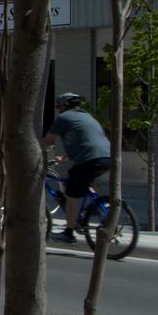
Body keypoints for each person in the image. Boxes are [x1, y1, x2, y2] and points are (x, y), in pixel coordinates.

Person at [44, 91, 112, 240]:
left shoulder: (64, 118)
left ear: (64, 105)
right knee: (83, 180)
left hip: (90, 159)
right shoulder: (88, 117)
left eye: (59, 106)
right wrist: (65, 156)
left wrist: (35, 154)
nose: (58, 109)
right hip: (107, 157)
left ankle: (69, 233)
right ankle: (96, 207)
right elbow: (85, 139)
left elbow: (48, 140)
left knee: (72, 193)